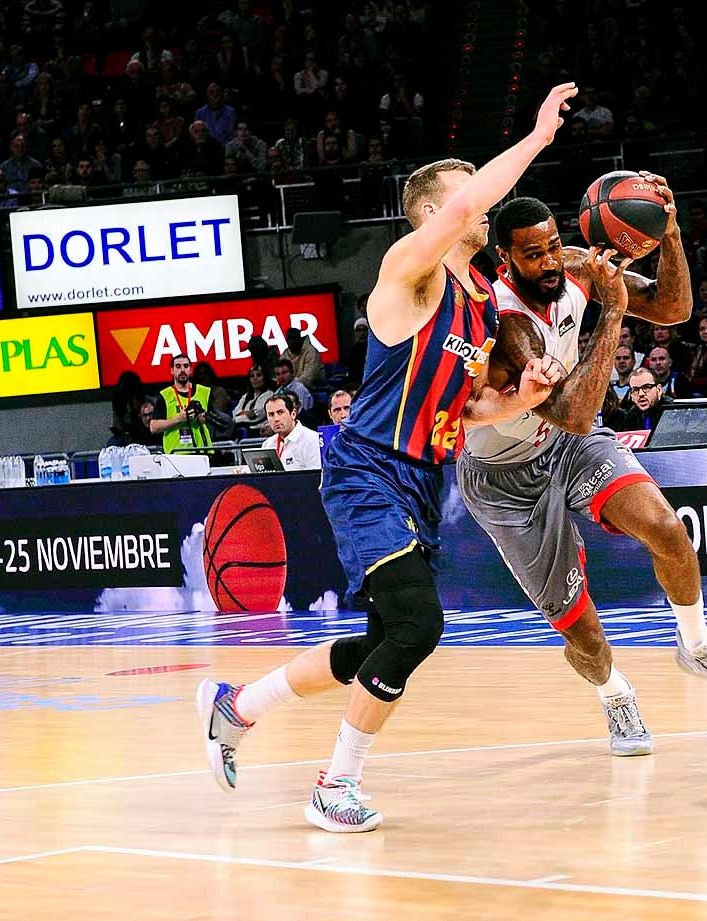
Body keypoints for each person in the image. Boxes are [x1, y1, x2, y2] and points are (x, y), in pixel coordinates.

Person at [195, 83, 577, 832]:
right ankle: (335, 783)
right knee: (417, 623)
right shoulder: (409, 269)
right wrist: (535, 138)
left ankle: (237, 706)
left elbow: (466, 412)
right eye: (467, 193)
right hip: (367, 469)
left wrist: (524, 396)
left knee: (380, 640)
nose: (482, 205)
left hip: (419, 480)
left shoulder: (477, 299)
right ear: (433, 211)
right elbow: (469, 211)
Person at [457, 195, 707, 755]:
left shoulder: (573, 269)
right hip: (505, 478)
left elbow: (673, 308)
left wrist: (669, 230)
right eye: (532, 255)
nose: (547, 263)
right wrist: (613, 310)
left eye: (550, 248)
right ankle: (614, 693)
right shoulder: (506, 320)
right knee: (583, 635)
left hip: (569, 447)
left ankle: (698, 643)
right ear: (504, 258)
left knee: (666, 529)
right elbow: (573, 409)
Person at [149, 354, 214, 454]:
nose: (182, 370)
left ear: (190, 370)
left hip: (202, 451)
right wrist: (178, 419)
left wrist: (203, 419)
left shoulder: (204, 392)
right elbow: (153, 427)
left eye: (186, 366)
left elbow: (214, 420)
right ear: (172, 370)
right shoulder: (165, 395)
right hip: (176, 453)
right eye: (178, 366)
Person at [261, 392, 321, 470]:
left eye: (280, 412)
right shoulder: (268, 444)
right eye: (271, 415)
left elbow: (318, 477)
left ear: (293, 414)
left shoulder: (312, 440)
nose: (276, 419)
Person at [232, 364, 274, 434]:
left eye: (259, 375)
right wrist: (245, 413)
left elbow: (257, 415)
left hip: (257, 430)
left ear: (265, 378)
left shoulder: (269, 395)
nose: (255, 378)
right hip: (240, 427)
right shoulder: (246, 396)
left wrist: (242, 413)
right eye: (252, 376)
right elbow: (235, 412)